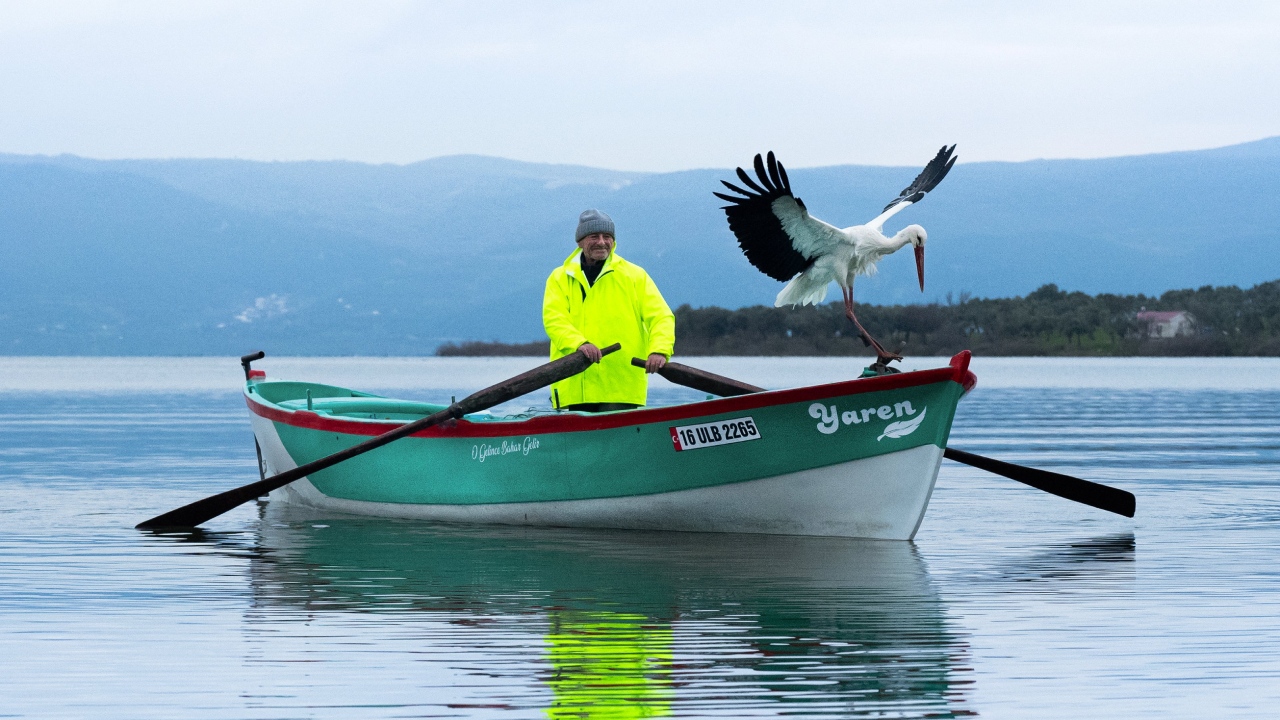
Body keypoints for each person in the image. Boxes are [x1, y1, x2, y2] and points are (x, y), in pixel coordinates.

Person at [543, 209, 675, 412]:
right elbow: (554, 319)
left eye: (607, 237)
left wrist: (659, 350)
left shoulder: (634, 275)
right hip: (573, 385)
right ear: (580, 241)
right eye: (594, 236)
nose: (602, 242)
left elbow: (661, 317)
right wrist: (579, 344)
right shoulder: (559, 277)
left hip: (621, 386)